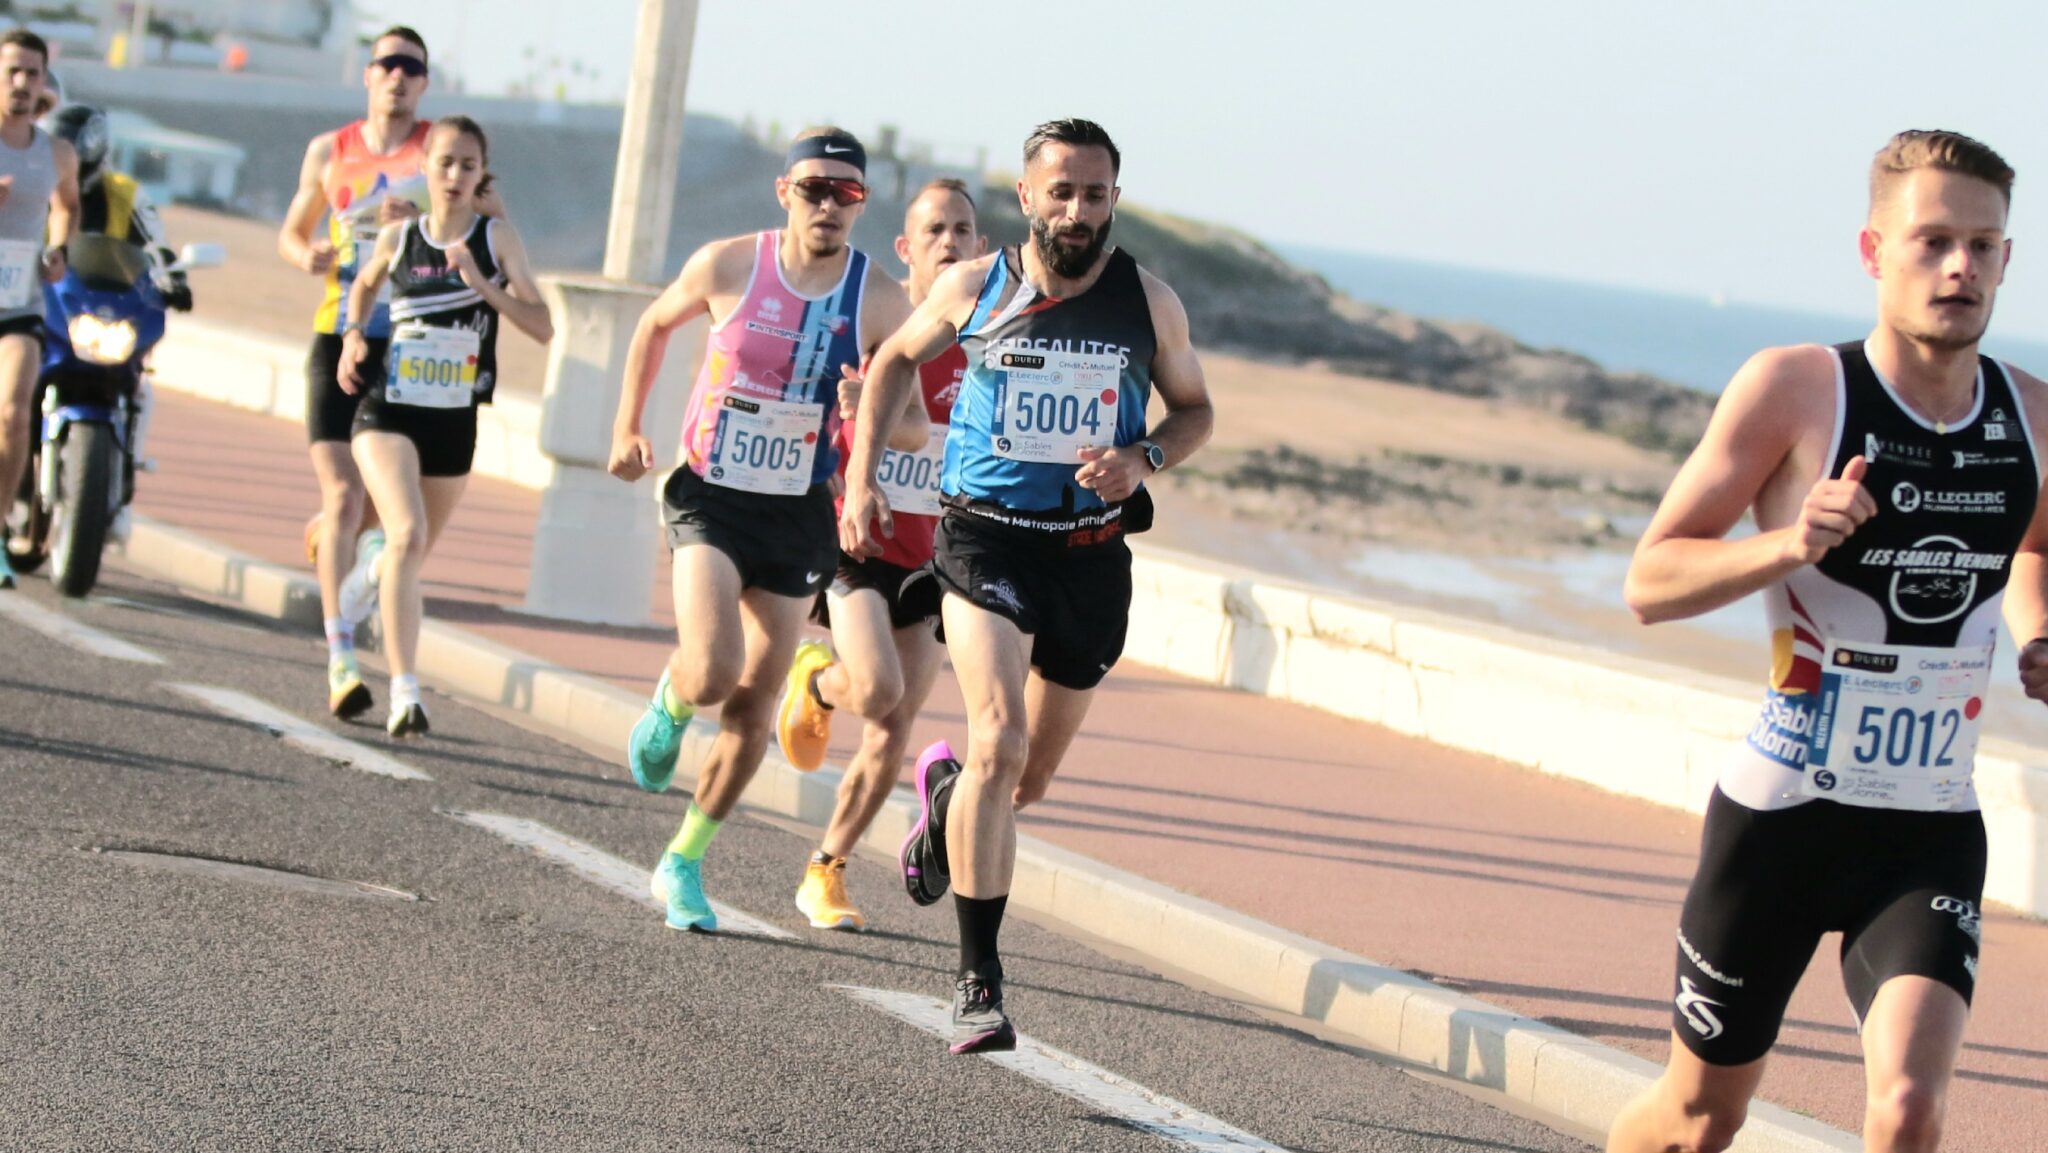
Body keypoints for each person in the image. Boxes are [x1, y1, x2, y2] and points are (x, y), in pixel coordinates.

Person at [1608, 130, 2047, 1153]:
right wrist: (1786, 542)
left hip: (1927, 825)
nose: (1958, 268)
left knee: (1906, 1108)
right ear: (1871, 251)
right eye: (1932, 240)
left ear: (2005, 259)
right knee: (1694, 1118)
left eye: (1982, 246)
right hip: (1778, 826)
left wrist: (2036, 633)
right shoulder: (1797, 390)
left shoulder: (2031, 415)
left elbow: (2033, 547)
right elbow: (1647, 580)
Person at [842, 119, 1214, 1052]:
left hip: (1090, 556)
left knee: (1025, 779)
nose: (1077, 210)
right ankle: (979, 982)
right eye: (1061, 192)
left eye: (1095, 194)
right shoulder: (977, 287)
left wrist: (1146, 454)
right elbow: (894, 359)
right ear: (1027, 197)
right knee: (999, 737)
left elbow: (1199, 408)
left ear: (1114, 199)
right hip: (985, 543)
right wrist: (860, 479)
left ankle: (946, 799)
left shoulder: (1149, 302)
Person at [606, 128, 922, 933]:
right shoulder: (729, 265)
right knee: (713, 669)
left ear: (861, 203)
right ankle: (675, 700)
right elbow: (652, 325)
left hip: (796, 513)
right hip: (710, 495)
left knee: (752, 710)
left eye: (846, 192)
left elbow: (916, 423)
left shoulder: (879, 298)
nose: (829, 203)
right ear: (784, 191)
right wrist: (627, 427)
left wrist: (866, 416)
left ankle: (682, 861)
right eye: (814, 187)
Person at [776, 178, 985, 931]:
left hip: (935, 560)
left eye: (963, 230)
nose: (949, 243)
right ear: (906, 248)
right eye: (933, 230)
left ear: (981, 246)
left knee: (894, 726)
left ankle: (824, 871)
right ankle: (818, 682)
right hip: (858, 542)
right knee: (873, 685)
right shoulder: (877, 329)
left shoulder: (988, 346)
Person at [339, 117, 550, 738]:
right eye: (444, 162)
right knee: (405, 531)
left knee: (409, 551)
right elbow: (364, 287)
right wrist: (354, 336)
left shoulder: (497, 238)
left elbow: (542, 325)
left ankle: (367, 570)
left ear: (481, 173)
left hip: (454, 420)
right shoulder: (401, 236)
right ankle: (406, 691)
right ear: (425, 168)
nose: (454, 175)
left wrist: (481, 283)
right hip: (388, 408)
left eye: (467, 165)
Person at [277, 25, 432, 717]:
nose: (398, 76)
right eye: (387, 64)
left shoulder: (437, 152)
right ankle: (340, 658)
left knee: (380, 511)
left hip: (414, 346)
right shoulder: (329, 150)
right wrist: (300, 254)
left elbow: (483, 218)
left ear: (424, 82)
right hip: (338, 334)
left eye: (411, 67)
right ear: (367, 74)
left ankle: (341, 551)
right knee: (344, 497)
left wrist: (422, 214)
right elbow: (291, 230)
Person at [0, 28, 78, 591]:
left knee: (13, 413)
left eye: (33, 73)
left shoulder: (57, 152)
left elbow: (66, 205)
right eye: (12, 72)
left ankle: (0, 530)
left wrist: (59, 248)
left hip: (17, 304)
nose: (23, 84)